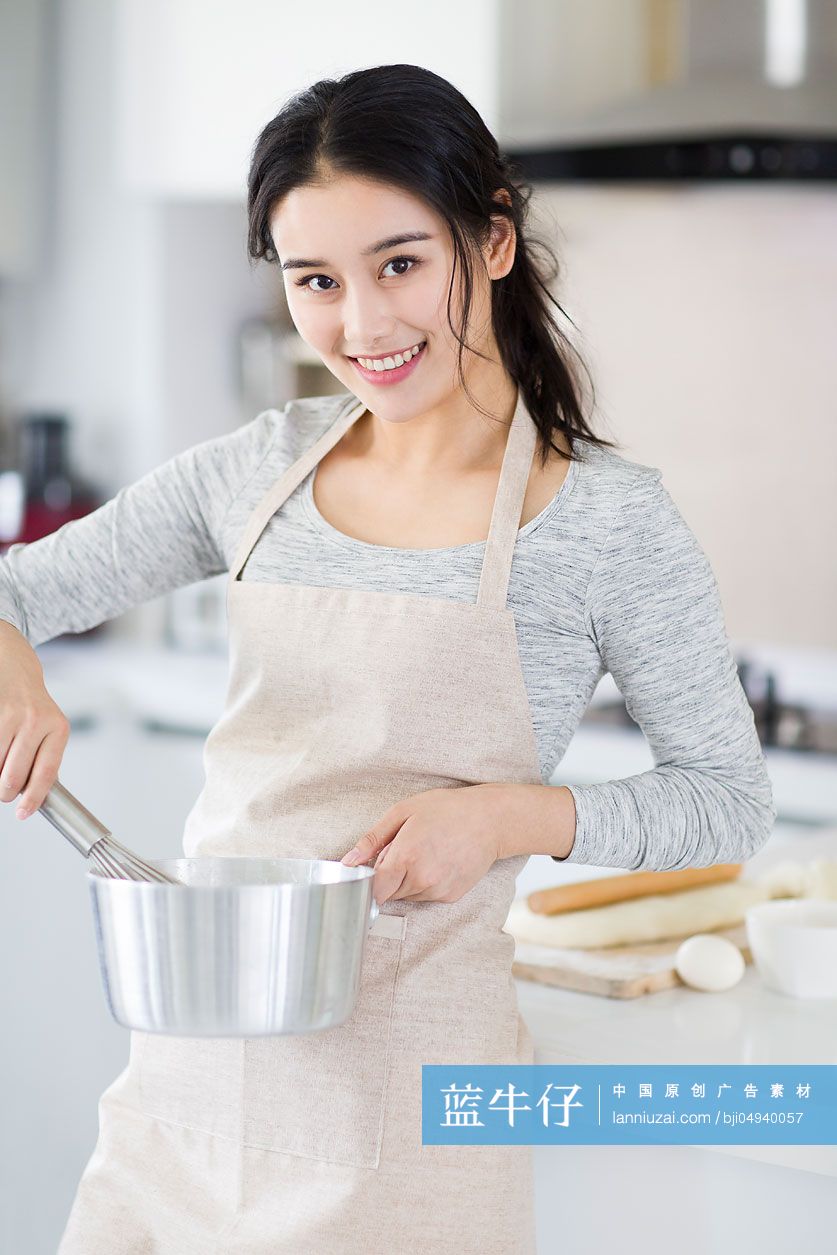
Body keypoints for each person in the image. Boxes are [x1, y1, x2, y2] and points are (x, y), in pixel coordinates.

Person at [0, 63, 775, 1255]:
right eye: (316, 280)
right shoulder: (258, 468)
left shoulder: (606, 520)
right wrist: (15, 665)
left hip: (409, 1127)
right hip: (186, 1102)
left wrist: (513, 818)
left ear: (495, 241)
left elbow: (726, 801)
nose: (361, 326)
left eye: (399, 265)